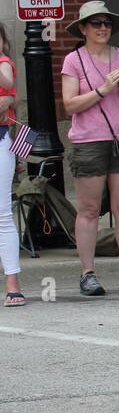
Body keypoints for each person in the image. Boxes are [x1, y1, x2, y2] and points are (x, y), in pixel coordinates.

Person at [59, 1, 119, 297]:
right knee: (88, 209)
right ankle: (88, 273)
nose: (102, 28)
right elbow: (70, 104)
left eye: (107, 23)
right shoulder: (74, 60)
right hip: (89, 140)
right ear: (84, 29)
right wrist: (103, 89)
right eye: (96, 23)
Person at [0, 24, 22, 306]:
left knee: (3, 214)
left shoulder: (4, 63)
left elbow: (7, 89)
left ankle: (13, 282)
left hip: (1, 139)